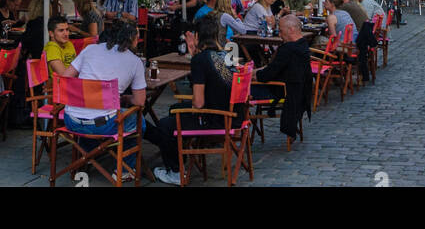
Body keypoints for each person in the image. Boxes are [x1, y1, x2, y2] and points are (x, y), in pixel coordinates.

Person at [148, 15, 240, 185]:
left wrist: (194, 57)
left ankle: (176, 171)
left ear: (197, 36)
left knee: (164, 125)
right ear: (216, 35)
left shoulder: (200, 60)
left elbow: (198, 103)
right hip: (234, 115)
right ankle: (181, 155)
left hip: (215, 118)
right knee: (174, 110)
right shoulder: (225, 55)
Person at [63, 19, 147, 142]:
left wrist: (87, 87)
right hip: (102, 125)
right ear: (132, 39)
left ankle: (87, 154)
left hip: (71, 120)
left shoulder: (90, 49)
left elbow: (65, 78)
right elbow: (139, 102)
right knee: (140, 121)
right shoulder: (135, 62)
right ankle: (124, 160)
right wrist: (125, 98)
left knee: (101, 115)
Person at [251, 12, 312, 138]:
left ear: (291, 30)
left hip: (282, 91)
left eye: (281, 30)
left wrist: (252, 75)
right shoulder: (303, 45)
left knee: (242, 89)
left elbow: (267, 75)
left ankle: (236, 127)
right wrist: (257, 72)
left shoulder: (288, 49)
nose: (279, 34)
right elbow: (274, 68)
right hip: (299, 92)